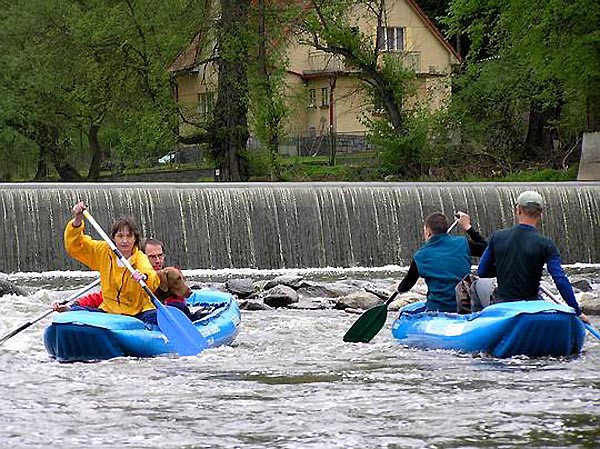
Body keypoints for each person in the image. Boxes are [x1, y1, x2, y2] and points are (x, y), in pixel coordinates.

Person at [478, 190, 590, 323]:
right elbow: (560, 279)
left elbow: (482, 272)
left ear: (518, 210)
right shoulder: (546, 244)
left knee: (476, 292)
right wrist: (577, 311)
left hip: (502, 304)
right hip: (532, 305)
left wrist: (505, 269)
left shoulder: (497, 237)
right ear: (540, 213)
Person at [61, 201, 160, 325]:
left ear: (135, 239)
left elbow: (151, 275)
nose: (125, 241)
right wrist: (77, 220)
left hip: (138, 312)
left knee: (156, 317)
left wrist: (144, 276)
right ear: (113, 238)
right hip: (109, 311)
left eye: (129, 236)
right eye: (120, 236)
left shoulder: (140, 257)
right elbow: (76, 246)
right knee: (75, 313)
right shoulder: (103, 251)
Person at [396, 211, 487, 312]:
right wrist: (468, 227)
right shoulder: (463, 243)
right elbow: (485, 249)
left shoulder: (420, 256)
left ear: (428, 232)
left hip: (437, 309)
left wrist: (399, 289)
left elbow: (408, 283)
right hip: (465, 306)